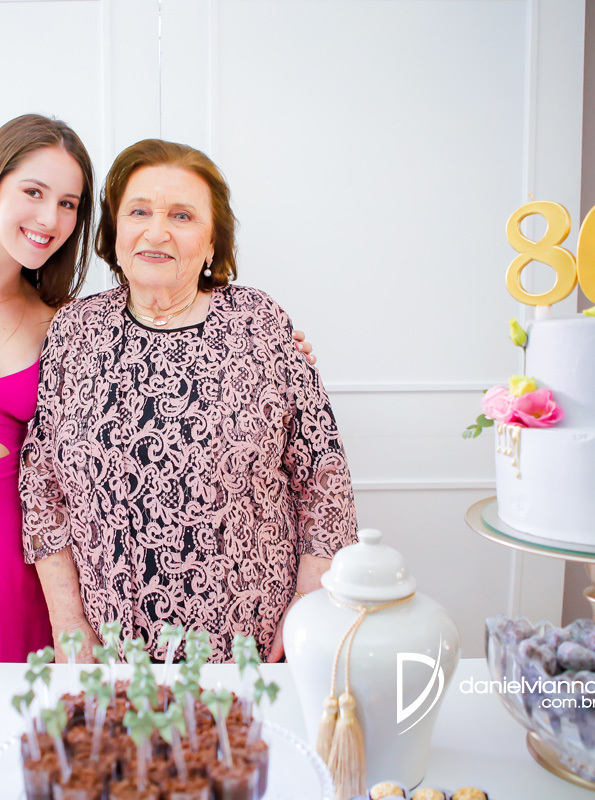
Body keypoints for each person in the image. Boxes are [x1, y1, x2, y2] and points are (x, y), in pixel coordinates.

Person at [0, 115, 321, 661]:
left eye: (68, 204)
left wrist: (281, 356)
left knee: (26, 711)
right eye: (33, 192)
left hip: (20, 567)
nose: (49, 218)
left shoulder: (60, 322)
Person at [20, 139, 357, 664]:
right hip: (112, 646)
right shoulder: (75, 330)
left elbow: (324, 479)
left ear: (213, 241)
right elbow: (41, 485)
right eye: (139, 212)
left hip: (250, 643)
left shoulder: (260, 323)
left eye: (181, 215)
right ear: (115, 231)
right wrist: (67, 623)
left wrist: (306, 609)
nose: (156, 232)